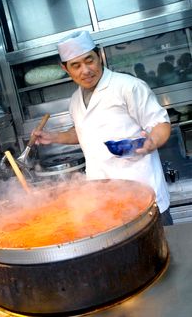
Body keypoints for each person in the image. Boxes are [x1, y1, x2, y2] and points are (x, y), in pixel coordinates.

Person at [33, 31, 173, 226]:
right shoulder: (75, 100)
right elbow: (82, 132)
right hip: (104, 203)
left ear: (99, 56)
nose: (85, 70)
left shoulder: (128, 87)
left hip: (145, 195)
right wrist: (54, 137)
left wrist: (151, 142)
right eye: (76, 65)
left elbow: (161, 124)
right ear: (65, 69)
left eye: (89, 60)